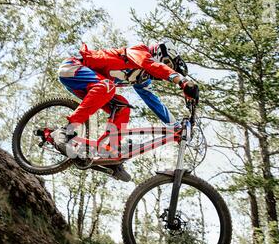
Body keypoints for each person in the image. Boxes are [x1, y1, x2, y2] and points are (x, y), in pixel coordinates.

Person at [51, 41, 199, 182]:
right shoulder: (140, 52)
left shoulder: (142, 78)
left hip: (91, 85)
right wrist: (182, 81)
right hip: (72, 68)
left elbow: (154, 102)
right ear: (160, 52)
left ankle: (107, 150)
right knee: (108, 86)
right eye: (167, 63)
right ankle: (65, 131)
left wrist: (176, 126)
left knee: (123, 107)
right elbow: (152, 65)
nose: (165, 70)